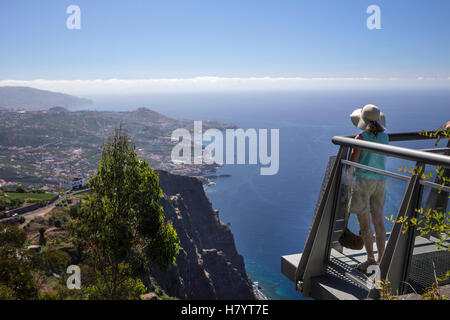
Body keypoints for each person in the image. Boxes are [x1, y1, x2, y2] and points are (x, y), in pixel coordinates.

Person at [348, 104, 389, 273]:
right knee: (378, 221)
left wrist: (348, 178)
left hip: (364, 182)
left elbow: (353, 161)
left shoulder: (361, 137)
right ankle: (382, 257)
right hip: (381, 181)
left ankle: (370, 260)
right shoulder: (385, 137)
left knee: (364, 223)